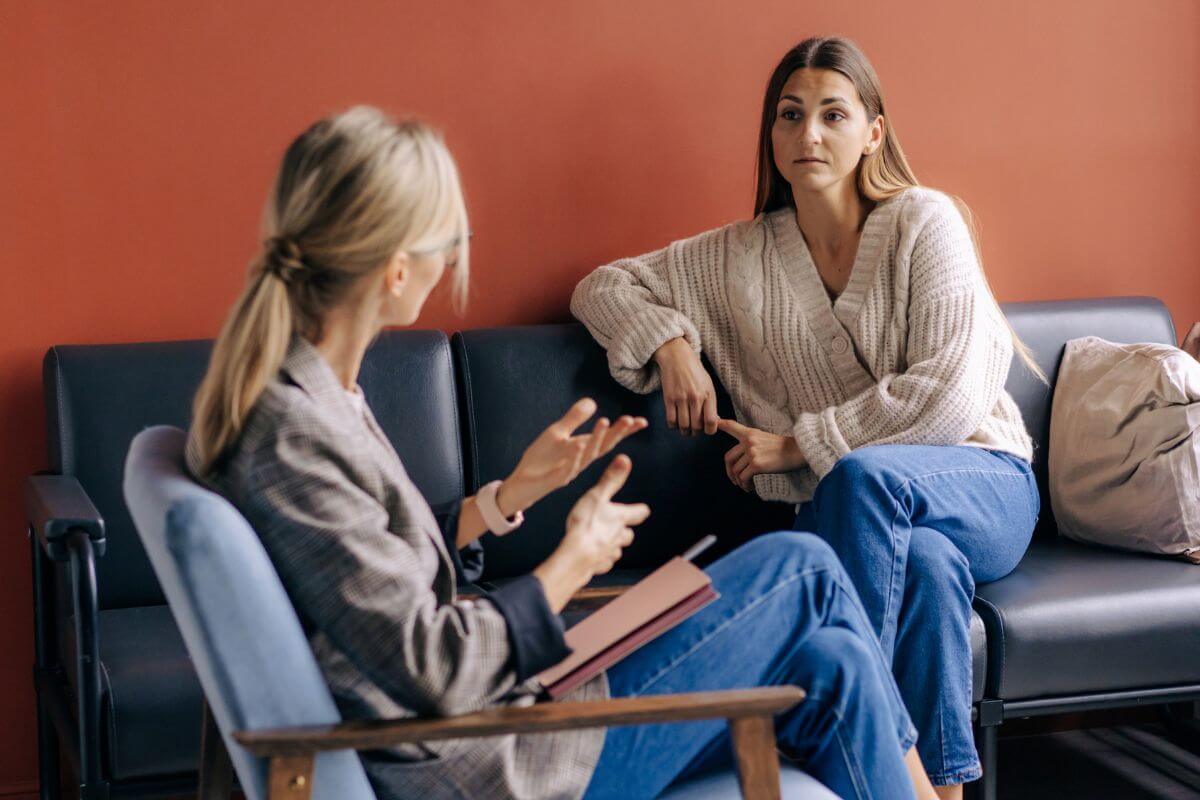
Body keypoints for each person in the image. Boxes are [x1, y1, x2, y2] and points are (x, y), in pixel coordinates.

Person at [186, 106, 935, 799]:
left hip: (496, 712)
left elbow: (371, 570)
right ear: (396, 269)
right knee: (802, 567)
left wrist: (506, 498)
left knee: (828, 663)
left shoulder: (312, 396)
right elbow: (428, 665)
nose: (452, 264)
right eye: (447, 244)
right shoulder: (292, 433)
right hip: (487, 757)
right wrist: (569, 565)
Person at [571, 36, 1041, 798]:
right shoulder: (738, 257)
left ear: (873, 133)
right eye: (791, 116)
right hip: (875, 515)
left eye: (832, 114)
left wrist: (798, 443)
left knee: (861, 480)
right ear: (772, 134)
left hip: (982, 480)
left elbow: (951, 395)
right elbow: (602, 286)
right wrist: (671, 345)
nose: (809, 135)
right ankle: (944, 790)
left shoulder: (927, 223)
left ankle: (893, 771)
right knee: (922, 564)